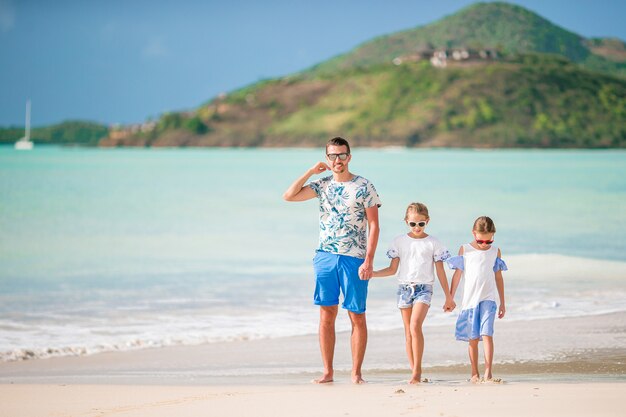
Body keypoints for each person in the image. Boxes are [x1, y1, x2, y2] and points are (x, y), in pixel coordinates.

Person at [282, 137, 381, 384]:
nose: (337, 160)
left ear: (350, 156)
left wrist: (368, 260)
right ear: (327, 158)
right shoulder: (322, 185)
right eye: (333, 156)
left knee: (356, 315)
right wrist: (309, 172)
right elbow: (289, 196)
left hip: (354, 258)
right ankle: (328, 372)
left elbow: (374, 225)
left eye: (342, 155)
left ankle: (356, 373)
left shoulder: (364, 186)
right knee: (327, 314)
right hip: (325, 256)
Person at [370, 202, 455, 384]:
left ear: (427, 221)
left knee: (415, 325)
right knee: (408, 332)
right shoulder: (399, 241)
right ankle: (413, 371)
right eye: (413, 224)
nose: (417, 227)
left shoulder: (433, 243)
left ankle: (417, 372)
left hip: (424, 288)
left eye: (421, 224)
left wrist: (449, 297)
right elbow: (393, 269)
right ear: (406, 221)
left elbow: (440, 271)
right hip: (404, 289)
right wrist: (374, 274)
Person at [447, 216, 507, 382]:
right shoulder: (465, 250)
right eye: (481, 241)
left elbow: (499, 278)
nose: (485, 244)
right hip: (470, 301)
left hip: (488, 299)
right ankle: (474, 372)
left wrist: (502, 302)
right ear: (474, 233)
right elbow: (457, 276)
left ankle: (488, 372)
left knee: (487, 334)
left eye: (489, 241)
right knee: (473, 339)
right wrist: (450, 297)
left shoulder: (495, 251)